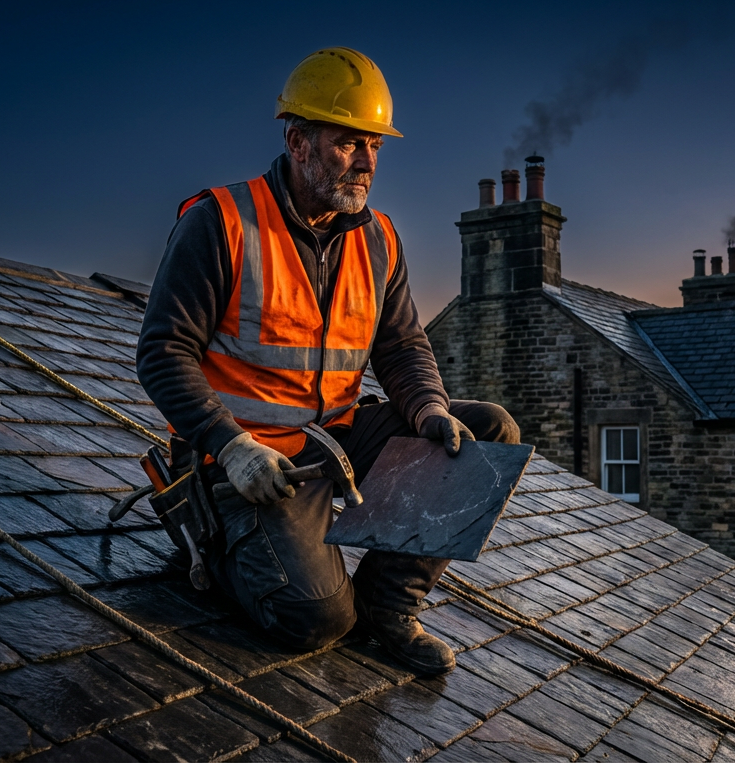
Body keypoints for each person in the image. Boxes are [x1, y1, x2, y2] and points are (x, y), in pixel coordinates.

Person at [137, 47, 519, 676]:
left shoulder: (379, 240)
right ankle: (204, 530)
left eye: (376, 146)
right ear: (298, 141)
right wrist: (229, 447)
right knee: (316, 621)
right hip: (244, 460)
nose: (367, 162)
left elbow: (400, 347)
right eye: (349, 144)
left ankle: (388, 605)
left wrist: (427, 410)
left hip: (334, 441)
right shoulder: (222, 222)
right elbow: (162, 351)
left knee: (488, 432)